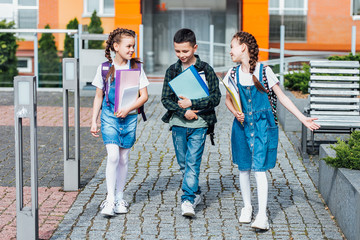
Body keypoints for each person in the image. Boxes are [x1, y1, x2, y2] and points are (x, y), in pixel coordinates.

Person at [224, 31, 320, 230]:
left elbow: (283, 98)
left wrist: (302, 118)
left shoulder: (264, 71)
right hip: (241, 127)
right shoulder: (232, 74)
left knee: (259, 168)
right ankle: (247, 207)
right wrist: (235, 112)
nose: (230, 51)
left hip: (262, 126)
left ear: (243, 47)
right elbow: (227, 99)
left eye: (232, 46)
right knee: (243, 167)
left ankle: (262, 216)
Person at [161, 28, 221, 217]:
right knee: (183, 164)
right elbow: (166, 99)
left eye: (185, 51)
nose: (181, 55)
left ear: (194, 48)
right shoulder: (172, 70)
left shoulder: (206, 69)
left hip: (200, 124)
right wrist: (184, 110)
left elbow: (216, 98)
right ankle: (194, 192)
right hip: (179, 124)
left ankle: (187, 200)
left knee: (193, 163)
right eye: (177, 51)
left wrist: (193, 103)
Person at [90, 28, 149, 217]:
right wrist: (94, 120)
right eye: (128, 46)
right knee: (113, 156)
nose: (132, 49)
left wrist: (129, 108)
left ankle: (120, 196)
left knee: (124, 158)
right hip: (109, 116)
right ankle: (109, 199)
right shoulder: (104, 68)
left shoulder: (137, 68)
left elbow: (144, 96)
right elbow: (99, 96)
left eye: (133, 46)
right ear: (116, 47)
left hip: (130, 118)